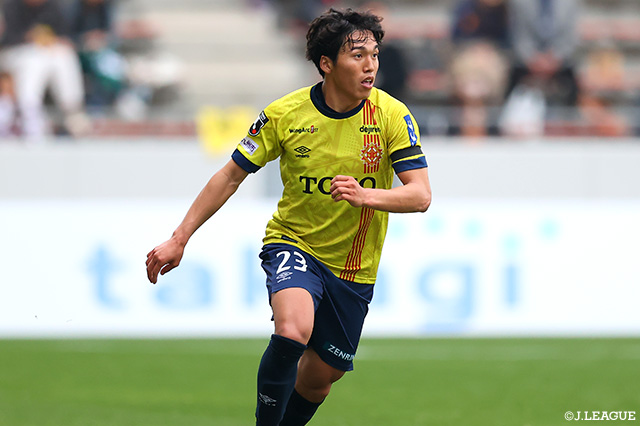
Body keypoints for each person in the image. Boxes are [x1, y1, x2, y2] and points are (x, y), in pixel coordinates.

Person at [146, 8, 431, 426]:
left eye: (374, 54)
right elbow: (229, 176)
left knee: (319, 381)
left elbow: (420, 196)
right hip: (293, 242)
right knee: (292, 329)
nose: (370, 65)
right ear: (326, 64)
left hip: (353, 268)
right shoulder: (285, 114)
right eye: (357, 56)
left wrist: (365, 195)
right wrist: (180, 237)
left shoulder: (391, 115)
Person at [0, 0, 90, 138]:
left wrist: (52, 40)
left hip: (46, 53)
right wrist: (30, 37)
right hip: (16, 53)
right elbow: (7, 39)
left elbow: (65, 35)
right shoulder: (11, 6)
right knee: (35, 60)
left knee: (64, 55)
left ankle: (73, 112)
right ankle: (30, 112)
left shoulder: (53, 6)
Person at [505, 0, 581, 107]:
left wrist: (555, 58)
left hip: (560, 61)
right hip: (527, 61)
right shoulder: (520, 3)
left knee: (576, 83)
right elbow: (519, 37)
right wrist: (533, 58)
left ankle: (571, 111)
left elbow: (570, 39)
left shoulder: (569, 3)